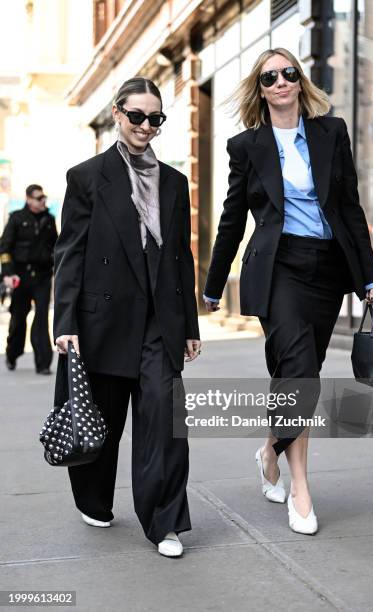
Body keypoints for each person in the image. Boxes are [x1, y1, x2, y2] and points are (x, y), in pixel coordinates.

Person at [203, 48, 373, 535]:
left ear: (299, 81)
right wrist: (214, 285)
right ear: (260, 90)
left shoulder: (331, 132)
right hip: (279, 267)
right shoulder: (247, 146)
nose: (280, 82)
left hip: (327, 268)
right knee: (300, 372)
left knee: (298, 375)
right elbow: (232, 217)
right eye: (269, 77)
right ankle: (301, 487)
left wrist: (369, 274)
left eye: (288, 74)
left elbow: (349, 206)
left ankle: (269, 450)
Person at [53, 77, 201, 557]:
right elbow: (70, 254)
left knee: (164, 421)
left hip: (161, 321)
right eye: (136, 115)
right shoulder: (87, 177)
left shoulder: (175, 183)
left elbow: (181, 257)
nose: (145, 126)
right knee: (105, 422)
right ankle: (93, 499)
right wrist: (65, 323)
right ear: (117, 113)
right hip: (103, 321)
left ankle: (164, 523)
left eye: (155, 118)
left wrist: (191, 326)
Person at [0, 185, 57, 374]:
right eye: (39, 198)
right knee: (18, 318)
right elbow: (5, 248)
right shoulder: (17, 218)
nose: (43, 201)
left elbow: (56, 247)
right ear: (29, 199)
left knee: (41, 318)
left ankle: (43, 363)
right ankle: (12, 353)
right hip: (20, 276)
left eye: (44, 198)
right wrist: (8, 273)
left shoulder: (49, 220)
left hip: (42, 276)